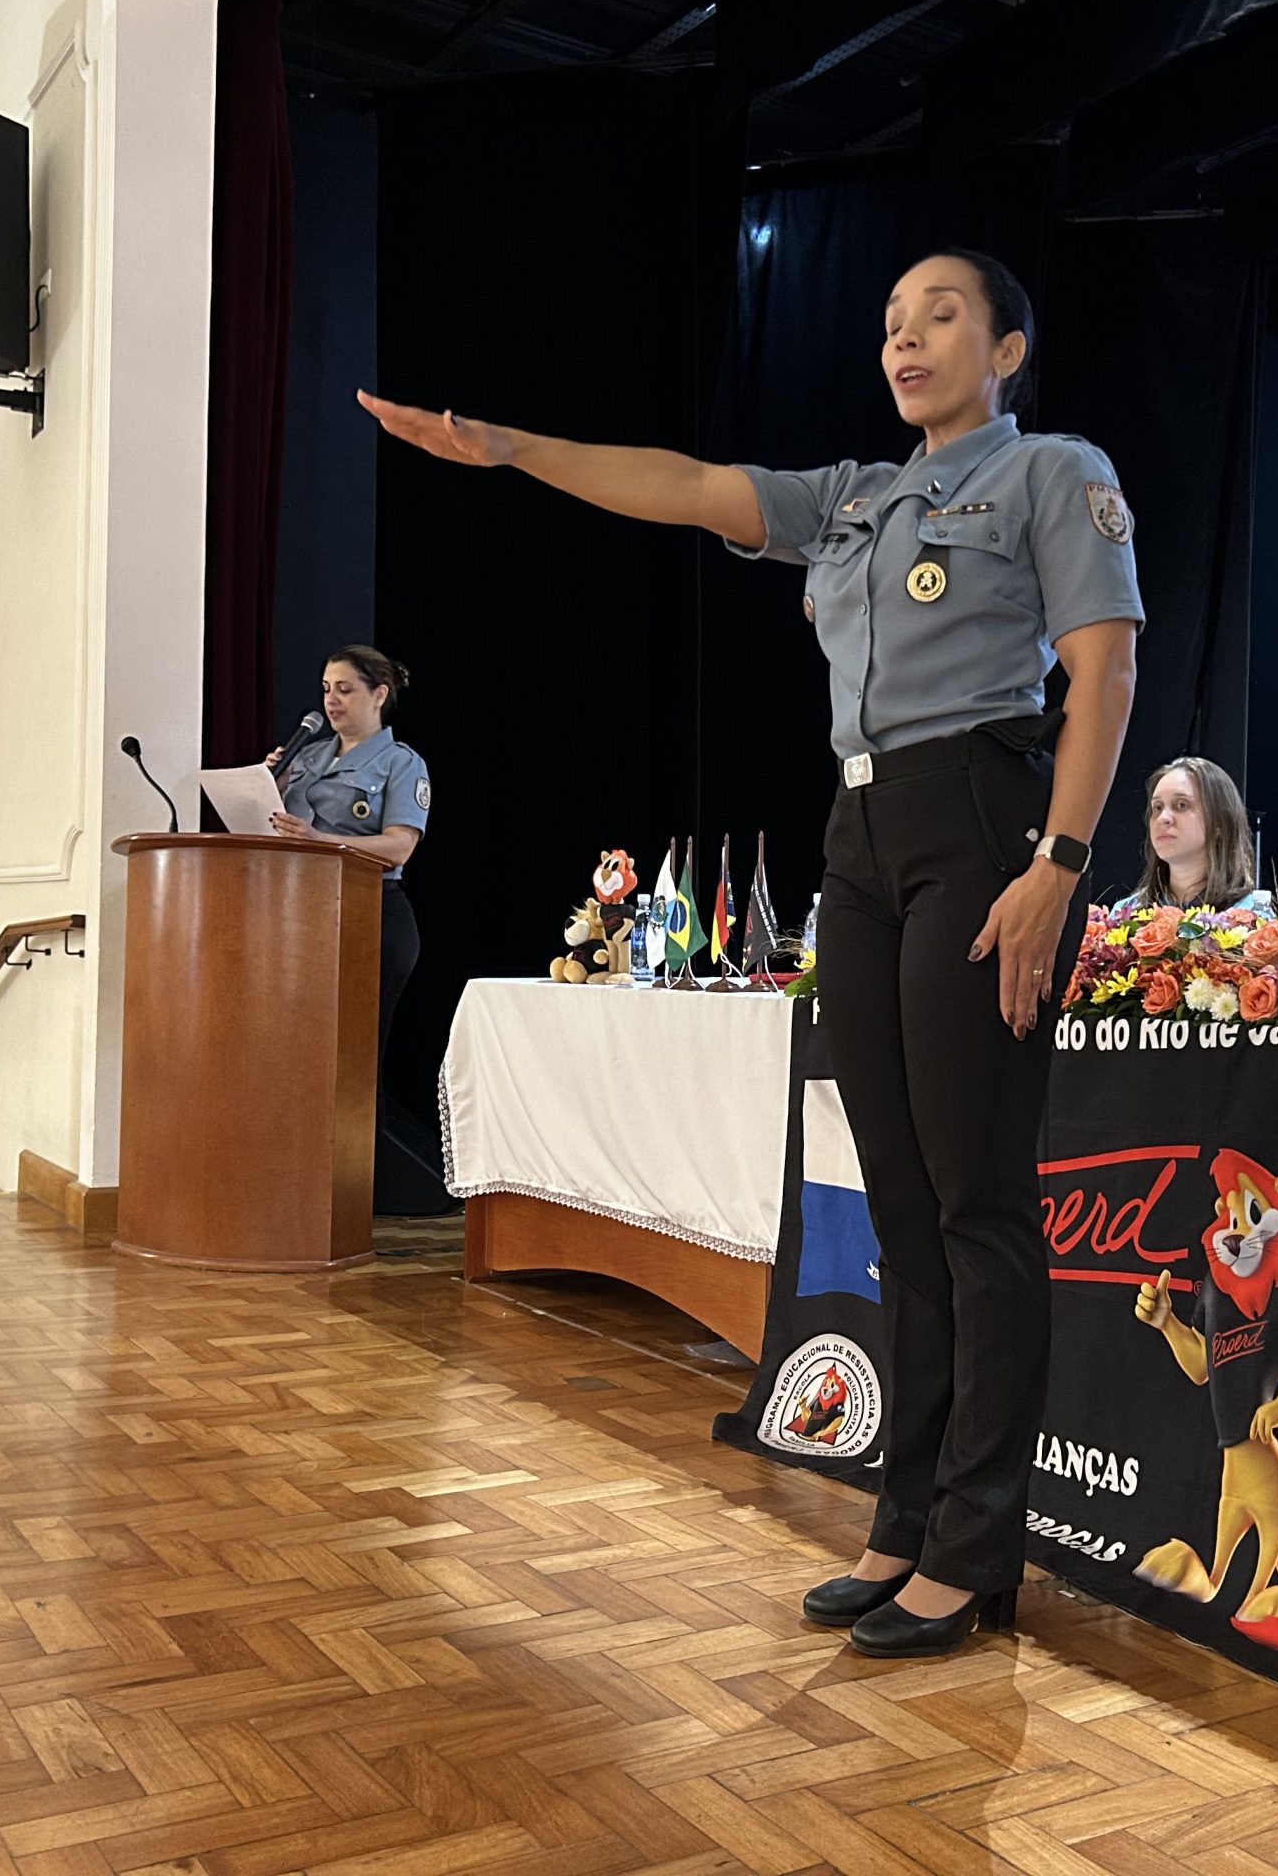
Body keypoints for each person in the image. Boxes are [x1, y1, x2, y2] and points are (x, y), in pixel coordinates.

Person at [360, 248, 1141, 1659]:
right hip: (861, 830)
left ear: (1007, 350)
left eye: (941, 317)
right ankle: (909, 1520)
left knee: (975, 1201)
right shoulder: (852, 498)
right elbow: (679, 483)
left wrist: (1059, 865)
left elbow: (1106, 669)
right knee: (900, 1200)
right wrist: (510, 449)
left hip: (982, 817)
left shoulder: (1050, 474)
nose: (906, 341)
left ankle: (977, 1548)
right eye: (891, 323)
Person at [267, 644, 431, 1082]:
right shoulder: (305, 757)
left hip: (368, 913)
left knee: (350, 1064)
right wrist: (267, 788)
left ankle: (362, 1131)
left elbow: (399, 848)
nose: (331, 701)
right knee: (296, 1056)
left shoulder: (401, 763)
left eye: (345, 689)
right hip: (302, 914)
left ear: (379, 694)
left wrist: (321, 841)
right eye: (326, 690)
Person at [1108, 757, 1270, 918]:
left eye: (1181, 805)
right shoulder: (1123, 915)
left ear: (1219, 823)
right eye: (1157, 807)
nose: (1163, 818)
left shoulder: (1254, 918)